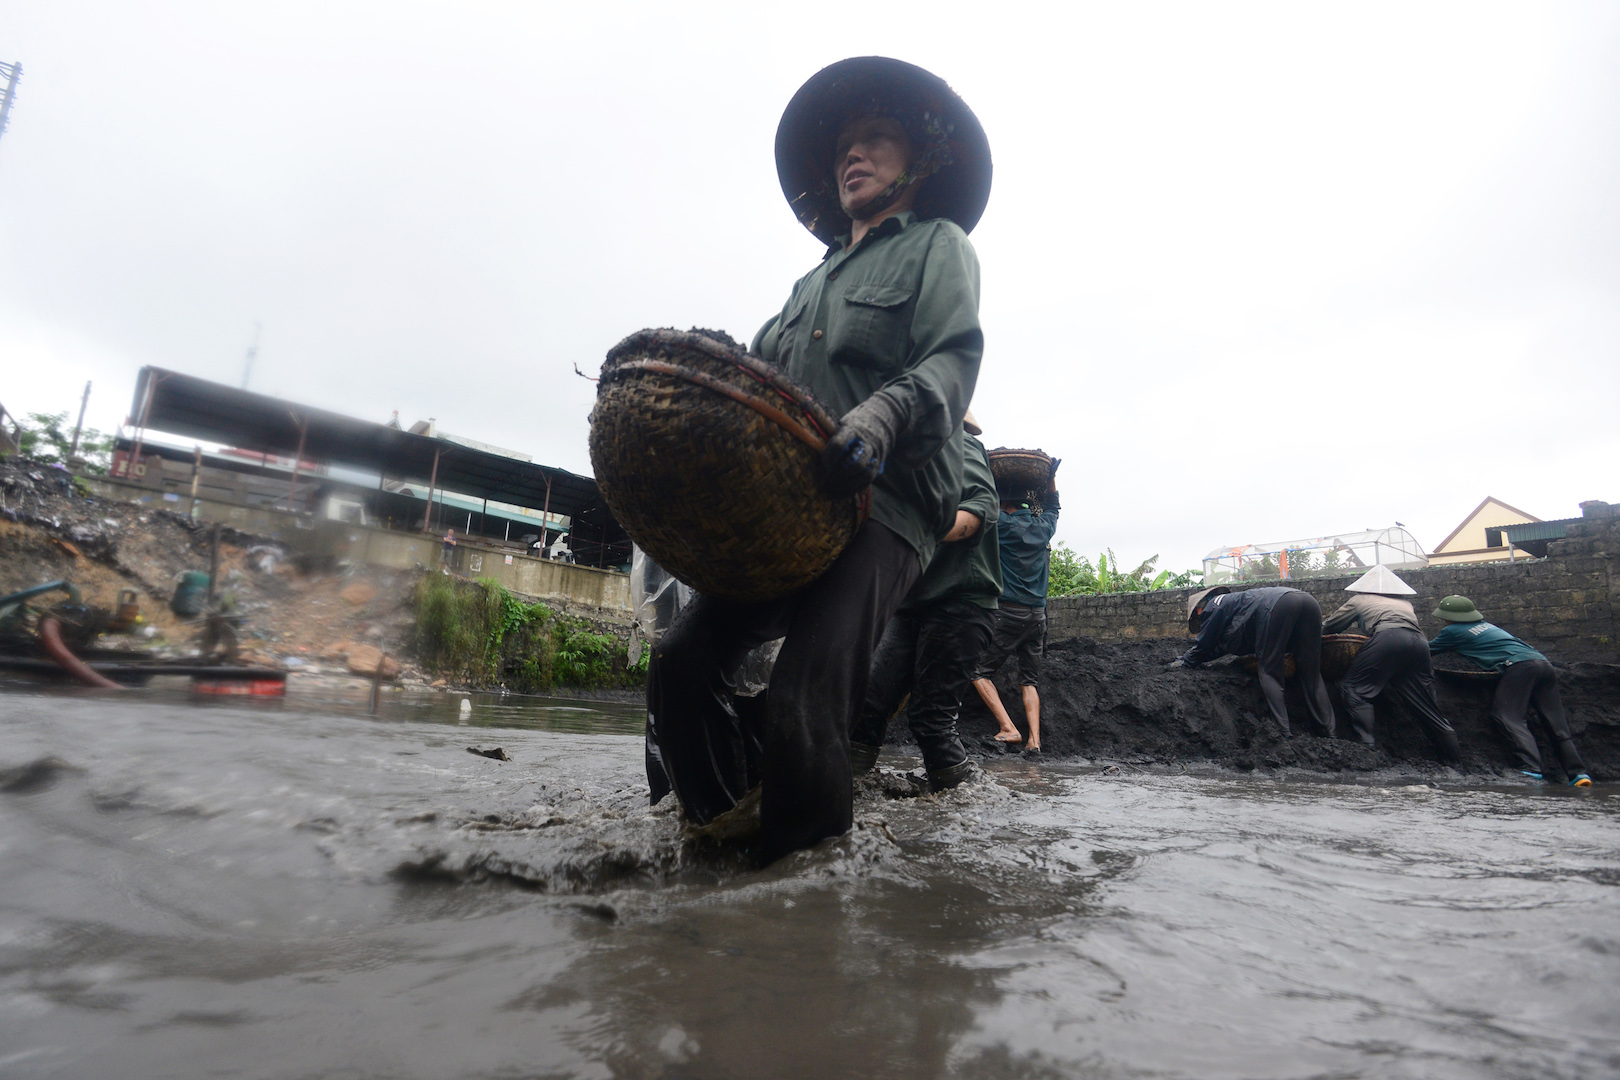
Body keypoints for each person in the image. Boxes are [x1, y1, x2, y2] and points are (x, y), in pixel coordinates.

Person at [646, 57, 992, 862]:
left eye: (875, 139)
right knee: (681, 660)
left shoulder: (938, 247)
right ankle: (718, 833)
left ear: (919, 163)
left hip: (892, 506)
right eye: (844, 146)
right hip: (791, 513)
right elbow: (755, 382)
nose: (853, 155)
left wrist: (880, 416)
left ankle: (803, 876)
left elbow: (950, 363)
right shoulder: (808, 285)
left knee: (808, 690)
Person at [851, 417, 1000, 789]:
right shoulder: (902, 460)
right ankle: (845, 790)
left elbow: (981, 506)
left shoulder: (957, 444)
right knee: (866, 705)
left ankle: (960, 805)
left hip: (960, 600)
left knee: (930, 718)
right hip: (912, 602)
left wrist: (919, 530)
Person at [1429, 595, 1593, 786]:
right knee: (1556, 723)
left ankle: (1530, 769)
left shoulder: (1452, 631)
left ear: (1448, 616)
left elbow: (1427, 649)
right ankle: (1578, 774)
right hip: (1543, 664)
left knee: (1508, 716)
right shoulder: (1489, 627)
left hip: (1520, 667)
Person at [1322, 566, 1460, 761]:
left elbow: (1331, 626)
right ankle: (1454, 761)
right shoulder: (1405, 604)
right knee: (1426, 705)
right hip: (1419, 643)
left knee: (1353, 688)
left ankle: (1367, 748)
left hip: (1388, 638)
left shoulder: (1358, 600)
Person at [970, 461, 1060, 752]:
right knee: (1029, 680)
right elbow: (1053, 507)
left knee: (976, 670)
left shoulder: (1002, 526)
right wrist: (1051, 478)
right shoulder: (1043, 528)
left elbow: (984, 507)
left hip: (1009, 613)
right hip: (1038, 616)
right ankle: (1034, 741)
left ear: (1003, 502)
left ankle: (1009, 728)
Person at [1172, 585, 1336, 736]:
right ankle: (1328, 731)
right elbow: (1224, 645)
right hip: (1308, 601)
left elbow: (1205, 644)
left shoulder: (1213, 605)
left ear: (1199, 610)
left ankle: (1282, 733)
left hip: (1279, 605)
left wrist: (1186, 661)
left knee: (1269, 671)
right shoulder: (1241, 602)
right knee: (1311, 674)